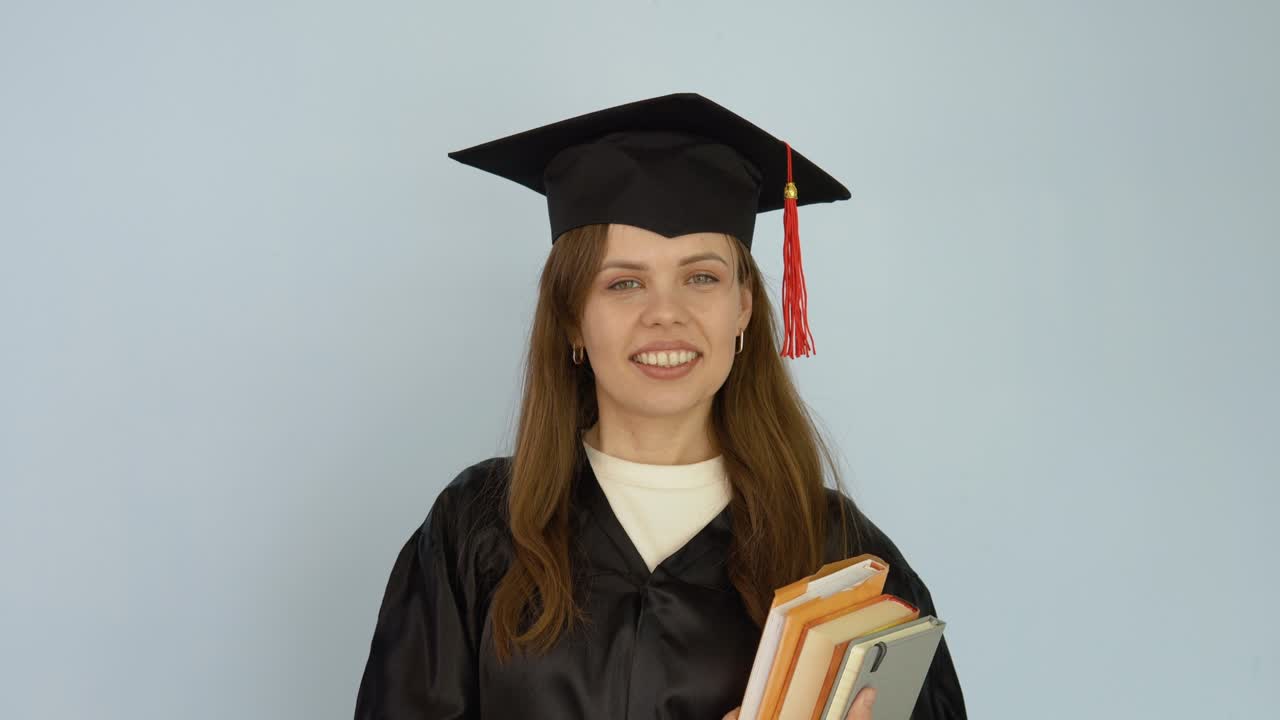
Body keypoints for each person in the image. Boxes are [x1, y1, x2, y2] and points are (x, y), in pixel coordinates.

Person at [354, 93, 967, 719]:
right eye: (624, 283)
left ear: (744, 308)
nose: (665, 313)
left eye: (702, 277)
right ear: (572, 320)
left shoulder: (837, 556)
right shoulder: (479, 529)